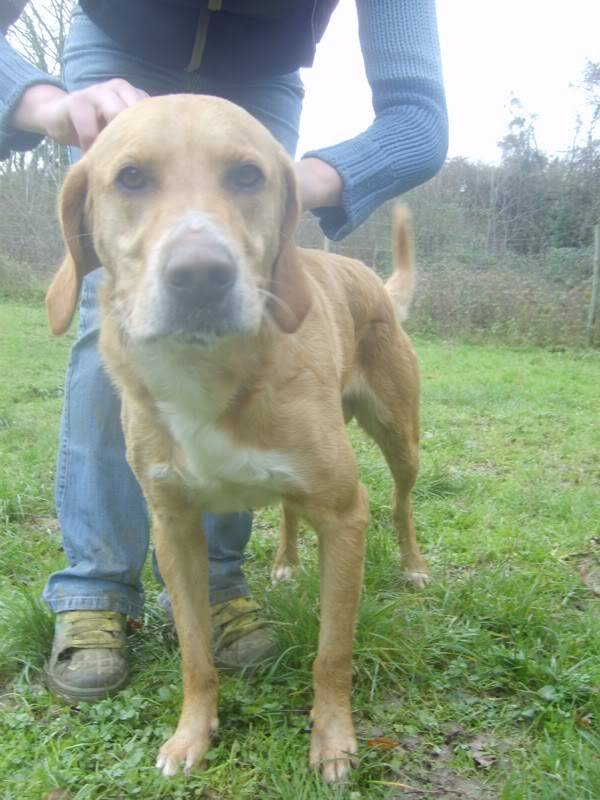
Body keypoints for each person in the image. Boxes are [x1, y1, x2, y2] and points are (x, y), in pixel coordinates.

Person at [0, 0, 448, 702]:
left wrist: (288, 186)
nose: (197, 257)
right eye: (134, 182)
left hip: (263, 77)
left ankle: (222, 583)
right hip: (114, 54)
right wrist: (40, 97)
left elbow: (419, 120)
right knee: (113, 308)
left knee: (258, 307)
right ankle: (93, 587)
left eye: (244, 182)